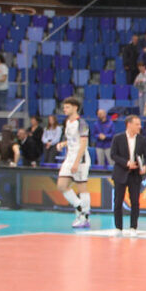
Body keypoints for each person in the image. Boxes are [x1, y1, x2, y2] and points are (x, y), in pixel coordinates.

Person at [56, 97, 93, 228]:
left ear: (75, 108)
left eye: (67, 107)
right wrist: (63, 144)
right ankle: (80, 207)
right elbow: (73, 139)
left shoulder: (82, 123)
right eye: (64, 107)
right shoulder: (67, 122)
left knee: (81, 187)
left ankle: (85, 217)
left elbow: (83, 143)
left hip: (80, 159)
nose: (64, 109)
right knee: (61, 185)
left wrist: (76, 162)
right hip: (69, 157)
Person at [110, 115, 146, 235]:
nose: (139, 126)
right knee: (118, 201)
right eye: (137, 124)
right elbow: (113, 155)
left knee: (135, 202)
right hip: (120, 173)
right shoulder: (118, 138)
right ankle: (118, 227)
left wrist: (145, 166)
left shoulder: (142, 139)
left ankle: (133, 227)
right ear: (129, 125)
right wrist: (126, 163)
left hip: (135, 175)